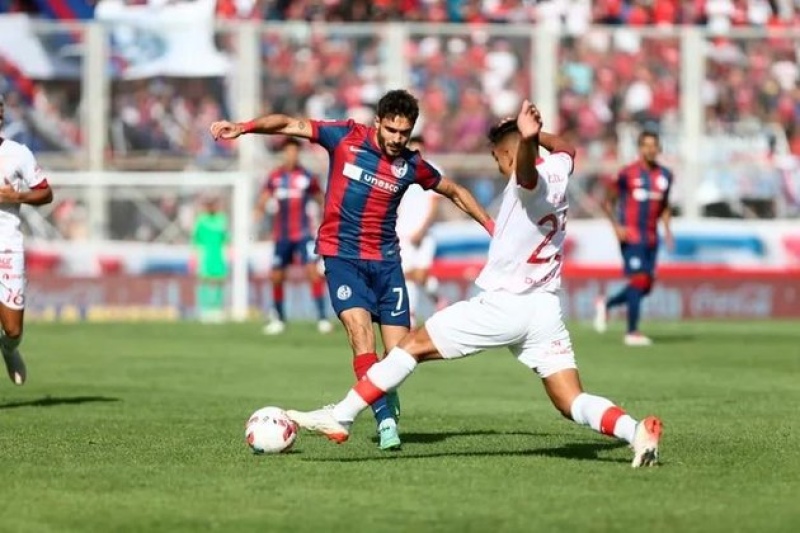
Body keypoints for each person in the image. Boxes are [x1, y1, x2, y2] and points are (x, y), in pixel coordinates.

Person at [286, 101, 663, 468]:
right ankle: (635, 431)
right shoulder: (560, 170)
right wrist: (530, 134)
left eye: (499, 158)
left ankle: (342, 415)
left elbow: (526, 171)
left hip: (506, 304)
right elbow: (567, 147)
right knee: (571, 401)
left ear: (510, 155)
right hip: (545, 309)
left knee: (411, 346)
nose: (499, 167)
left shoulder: (526, 181)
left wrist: (528, 139)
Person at [210, 89, 493, 451]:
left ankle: (383, 394)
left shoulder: (411, 165)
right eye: (391, 130)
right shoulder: (345, 136)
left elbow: (452, 190)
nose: (397, 139)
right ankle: (384, 419)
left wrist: (490, 227)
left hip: (387, 264)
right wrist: (244, 127)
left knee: (401, 356)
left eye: (404, 133)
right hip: (341, 258)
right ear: (378, 122)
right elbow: (289, 123)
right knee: (361, 335)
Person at [595, 131, 674, 346]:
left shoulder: (665, 175)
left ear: (659, 148)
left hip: (651, 236)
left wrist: (667, 229)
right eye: (646, 145)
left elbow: (665, 205)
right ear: (640, 149)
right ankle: (632, 332)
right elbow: (607, 202)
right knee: (639, 280)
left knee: (646, 285)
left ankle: (607, 303)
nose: (650, 149)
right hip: (631, 235)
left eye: (654, 145)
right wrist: (617, 227)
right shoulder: (627, 174)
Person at [0, 94, 55, 385]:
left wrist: (17, 195)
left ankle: (8, 349)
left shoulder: (18, 153)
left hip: (7, 247)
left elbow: (46, 193)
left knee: (12, 330)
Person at [256, 137, 331, 335]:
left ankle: (322, 318)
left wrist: (328, 218)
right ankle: (279, 318)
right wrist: (258, 212)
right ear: (283, 153)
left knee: (313, 273)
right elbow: (263, 199)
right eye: (288, 151)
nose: (292, 154)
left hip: (303, 234)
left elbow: (321, 198)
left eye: (295, 151)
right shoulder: (275, 177)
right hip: (282, 235)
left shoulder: (306, 176)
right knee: (277, 276)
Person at [396, 135, 444, 324]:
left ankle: (438, 299)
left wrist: (422, 230)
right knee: (408, 274)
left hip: (424, 233)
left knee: (421, 275)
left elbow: (434, 205)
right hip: (403, 231)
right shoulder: (399, 171)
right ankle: (412, 315)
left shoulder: (433, 171)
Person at [192, 195, 229, 323]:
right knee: (205, 281)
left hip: (219, 254)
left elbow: (226, 238)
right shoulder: (201, 220)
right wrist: (194, 256)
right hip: (205, 255)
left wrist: (229, 252)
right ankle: (205, 310)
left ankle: (217, 310)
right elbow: (196, 240)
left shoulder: (221, 220)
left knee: (219, 282)